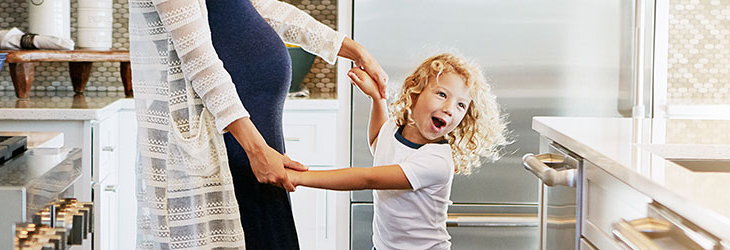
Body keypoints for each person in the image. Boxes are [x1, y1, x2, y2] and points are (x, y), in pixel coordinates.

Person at [127, 0, 390, 249]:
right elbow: (198, 58)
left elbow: (257, 7)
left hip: (252, 131)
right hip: (226, 136)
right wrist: (257, 150)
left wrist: (353, 49)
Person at [286, 53, 510, 250]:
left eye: (461, 105)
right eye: (442, 94)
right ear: (415, 93)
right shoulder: (395, 128)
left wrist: (299, 177)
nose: (449, 108)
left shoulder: (437, 161)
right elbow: (378, 142)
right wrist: (377, 98)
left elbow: (368, 178)